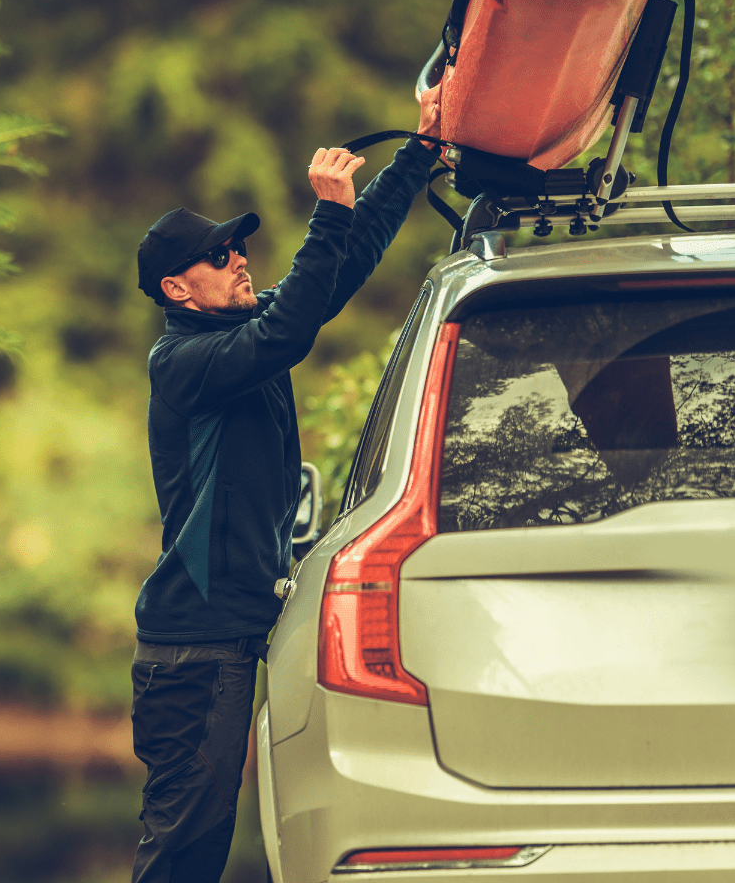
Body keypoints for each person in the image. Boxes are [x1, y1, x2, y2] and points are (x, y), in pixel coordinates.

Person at [127, 93, 442, 883]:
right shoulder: (186, 363)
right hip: (192, 651)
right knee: (185, 849)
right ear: (178, 290)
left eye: (238, 248)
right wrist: (324, 215)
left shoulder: (239, 336)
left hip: (227, 639)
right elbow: (292, 327)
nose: (240, 258)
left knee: (199, 846)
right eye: (221, 255)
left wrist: (420, 152)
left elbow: (334, 273)